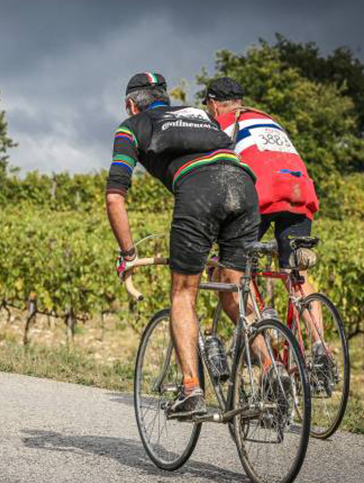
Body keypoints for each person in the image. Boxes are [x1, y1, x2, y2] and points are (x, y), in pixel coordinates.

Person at [106, 72, 272, 418]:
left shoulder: (131, 126)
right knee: (233, 288)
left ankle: (191, 389)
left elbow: (114, 199)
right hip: (244, 186)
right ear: (165, 99)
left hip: (199, 192)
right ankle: (274, 373)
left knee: (184, 292)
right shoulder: (199, 113)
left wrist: (128, 255)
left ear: (130, 104)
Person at [202, 76, 329, 366]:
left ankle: (269, 364)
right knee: (296, 274)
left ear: (212, 104)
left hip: (260, 194)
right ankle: (321, 347)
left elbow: (214, 181)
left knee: (229, 278)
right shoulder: (268, 120)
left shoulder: (218, 125)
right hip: (300, 192)